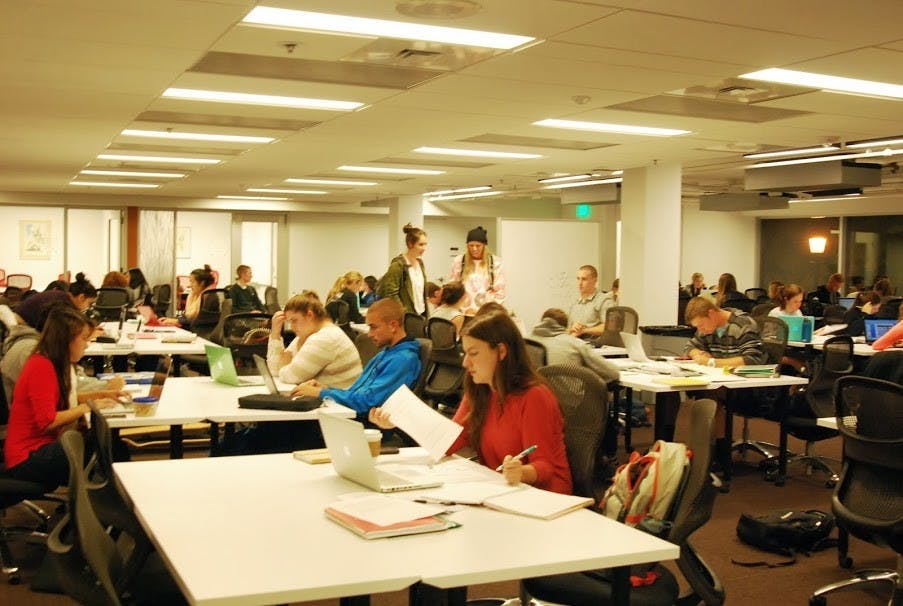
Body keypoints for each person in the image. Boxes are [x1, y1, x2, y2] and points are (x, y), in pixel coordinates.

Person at [371, 310, 572, 494]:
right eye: (465, 353)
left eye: (473, 353)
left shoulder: (535, 396)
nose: (466, 362)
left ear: (501, 352)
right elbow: (448, 442)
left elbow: (545, 466)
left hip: (543, 497)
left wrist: (521, 472)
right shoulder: (480, 389)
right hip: (502, 491)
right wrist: (402, 419)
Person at [3, 306, 119, 491]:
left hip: (41, 447)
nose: (87, 344)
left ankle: (103, 504)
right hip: (28, 457)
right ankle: (99, 508)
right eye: (83, 339)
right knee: (104, 446)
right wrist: (87, 407)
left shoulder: (55, 363)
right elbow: (47, 422)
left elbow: (65, 399)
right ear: (66, 340)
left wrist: (103, 395)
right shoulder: (42, 367)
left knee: (109, 443)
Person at [290, 299, 421, 418]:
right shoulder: (386, 354)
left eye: (373, 327)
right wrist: (326, 389)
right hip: (352, 416)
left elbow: (367, 402)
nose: (369, 334)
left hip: (365, 424)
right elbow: (356, 393)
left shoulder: (402, 360)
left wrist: (321, 393)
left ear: (393, 325)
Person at [682, 296, 767, 465]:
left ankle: (716, 454)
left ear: (712, 313)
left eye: (701, 325)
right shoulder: (708, 327)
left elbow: (752, 360)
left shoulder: (743, 325)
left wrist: (712, 362)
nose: (701, 329)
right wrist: (697, 354)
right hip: (722, 380)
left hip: (749, 385)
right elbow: (690, 346)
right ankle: (711, 451)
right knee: (704, 392)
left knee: (710, 394)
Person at [266, 291, 362, 386]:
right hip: (325, 397)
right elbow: (274, 370)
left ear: (309, 315)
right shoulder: (308, 334)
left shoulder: (325, 337)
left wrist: (284, 364)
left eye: (294, 320)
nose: (292, 327)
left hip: (335, 400)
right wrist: (275, 334)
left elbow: (291, 376)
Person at [530, 308, 619, 384]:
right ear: (565, 326)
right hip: (571, 401)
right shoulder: (575, 344)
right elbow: (613, 373)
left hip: (537, 398)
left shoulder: (528, 341)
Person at [448, 225, 505, 315]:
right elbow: (452, 287)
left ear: (484, 245)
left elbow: (500, 291)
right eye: (471, 245)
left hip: (486, 312)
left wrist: (488, 310)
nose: (474, 249)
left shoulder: (495, 263)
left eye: (478, 246)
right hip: (463, 311)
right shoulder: (459, 261)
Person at [376, 224, 428, 317]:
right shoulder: (398, 265)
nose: (424, 248)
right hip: (406, 317)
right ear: (410, 244)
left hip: (420, 315)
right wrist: (403, 312)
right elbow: (391, 294)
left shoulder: (420, 263)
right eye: (420, 244)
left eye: (425, 244)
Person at [567, 265, 605, 338]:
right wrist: (572, 329)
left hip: (595, 345)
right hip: (576, 343)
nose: (580, 283)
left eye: (584, 279)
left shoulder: (603, 300)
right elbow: (568, 329)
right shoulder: (574, 303)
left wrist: (584, 330)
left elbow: (609, 328)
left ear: (595, 280)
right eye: (578, 279)